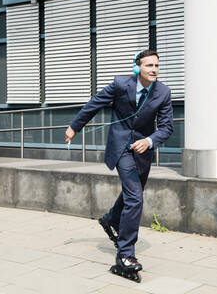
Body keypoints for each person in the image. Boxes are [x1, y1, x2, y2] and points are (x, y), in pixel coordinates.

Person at [65, 49, 173, 276]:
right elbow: (95, 104)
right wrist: (75, 126)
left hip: (143, 150)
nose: (153, 70)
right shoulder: (120, 84)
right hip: (121, 148)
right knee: (135, 197)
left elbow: (166, 127)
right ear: (137, 67)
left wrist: (150, 141)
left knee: (132, 194)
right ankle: (125, 255)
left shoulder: (163, 92)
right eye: (148, 66)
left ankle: (111, 219)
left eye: (156, 66)